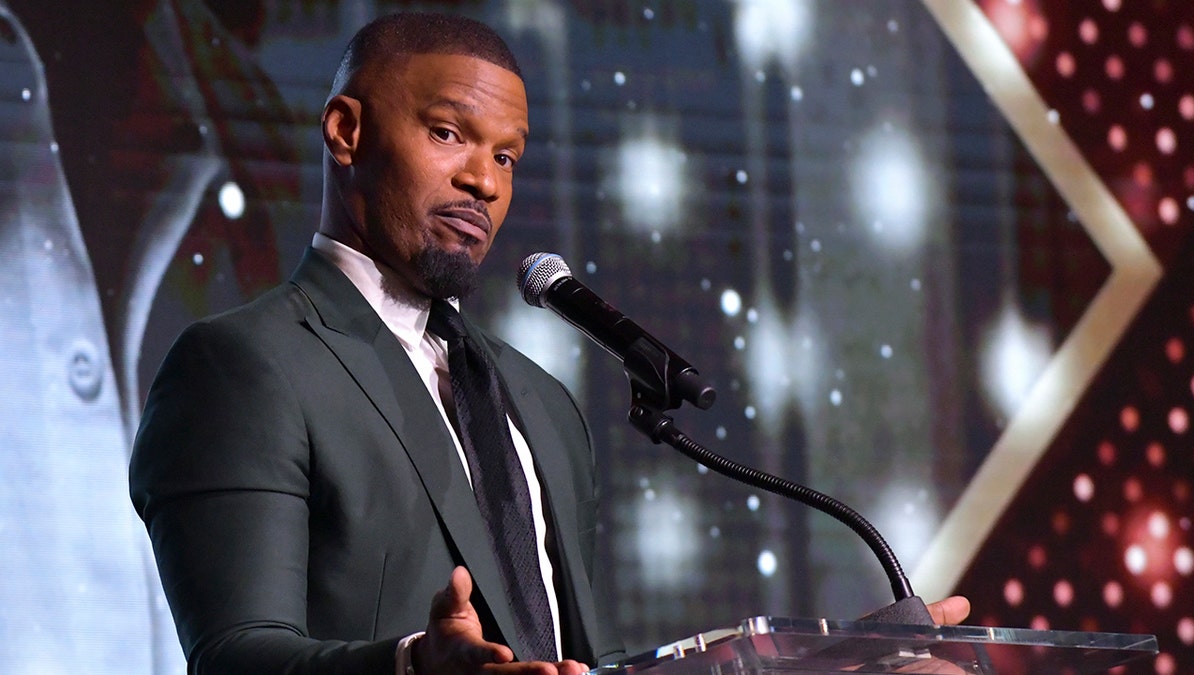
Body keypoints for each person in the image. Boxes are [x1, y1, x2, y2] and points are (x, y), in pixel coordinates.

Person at [130, 11, 969, 675]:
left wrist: (821, 666)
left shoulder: (538, 402)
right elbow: (234, 653)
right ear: (347, 131)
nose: (485, 182)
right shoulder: (243, 366)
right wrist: (413, 664)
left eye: (508, 155)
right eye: (448, 134)